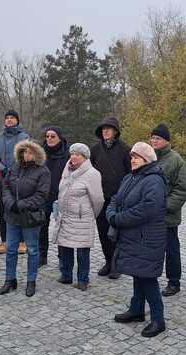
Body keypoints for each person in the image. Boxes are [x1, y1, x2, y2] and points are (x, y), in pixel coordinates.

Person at [109, 142, 167, 337]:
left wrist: (119, 219)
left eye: (137, 157)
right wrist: (111, 214)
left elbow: (148, 208)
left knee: (148, 278)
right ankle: (136, 310)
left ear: (147, 159)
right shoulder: (130, 177)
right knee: (137, 273)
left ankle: (158, 320)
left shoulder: (154, 180)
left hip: (147, 238)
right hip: (133, 236)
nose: (132, 159)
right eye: (132, 156)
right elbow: (116, 199)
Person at [0, 139, 50, 297]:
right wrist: (10, 203)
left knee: (32, 250)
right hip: (12, 216)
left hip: (30, 217)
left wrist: (21, 204)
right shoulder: (14, 167)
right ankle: (10, 280)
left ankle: (31, 281)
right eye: (24, 152)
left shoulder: (43, 172)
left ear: (36, 154)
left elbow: (41, 196)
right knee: (11, 249)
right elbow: (5, 186)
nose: (27, 155)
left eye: (30, 153)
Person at [53, 143, 104, 291]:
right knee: (65, 246)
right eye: (72, 153)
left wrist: (90, 215)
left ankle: (83, 280)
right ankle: (66, 275)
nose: (74, 157)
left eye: (78, 154)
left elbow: (98, 199)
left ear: (85, 157)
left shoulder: (92, 174)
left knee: (82, 250)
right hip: (65, 215)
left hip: (82, 217)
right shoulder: (67, 170)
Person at [149, 123, 186, 297]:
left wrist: (164, 206)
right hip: (148, 214)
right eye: (152, 138)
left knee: (171, 250)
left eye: (157, 138)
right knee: (150, 248)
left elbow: (182, 189)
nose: (153, 141)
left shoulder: (176, 160)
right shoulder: (149, 158)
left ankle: (174, 282)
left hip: (167, 216)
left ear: (166, 140)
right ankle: (149, 276)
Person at [90, 116, 131, 279]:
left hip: (118, 198)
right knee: (102, 232)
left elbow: (130, 173)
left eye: (109, 129)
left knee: (116, 233)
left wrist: (126, 194)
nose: (105, 131)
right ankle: (108, 262)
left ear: (115, 131)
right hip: (100, 197)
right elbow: (89, 171)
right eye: (103, 129)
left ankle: (117, 265)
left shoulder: (125, 149)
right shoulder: (95, 149)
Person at [0, 110, 29, 255]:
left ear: (17, 120)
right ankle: (4, 240)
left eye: (12, 118)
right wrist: (2, 169)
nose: (9, 120)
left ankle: (22, 241)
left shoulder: (24, 137)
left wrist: (13, 169)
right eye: (7, 118)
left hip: (19, 177)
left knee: (20, 208)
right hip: (2, 178)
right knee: (3, 209)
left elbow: (26, 155)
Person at [40, 125, 70, 267]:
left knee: (61, 228)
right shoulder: (40, 153)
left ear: (59, 138)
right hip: (43, 196)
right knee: (41, 227)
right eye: (47, 136)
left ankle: (62, 257)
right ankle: (42, 255)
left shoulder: (68, 154)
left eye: (53, 136)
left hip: (61, 196)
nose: (50, 139)